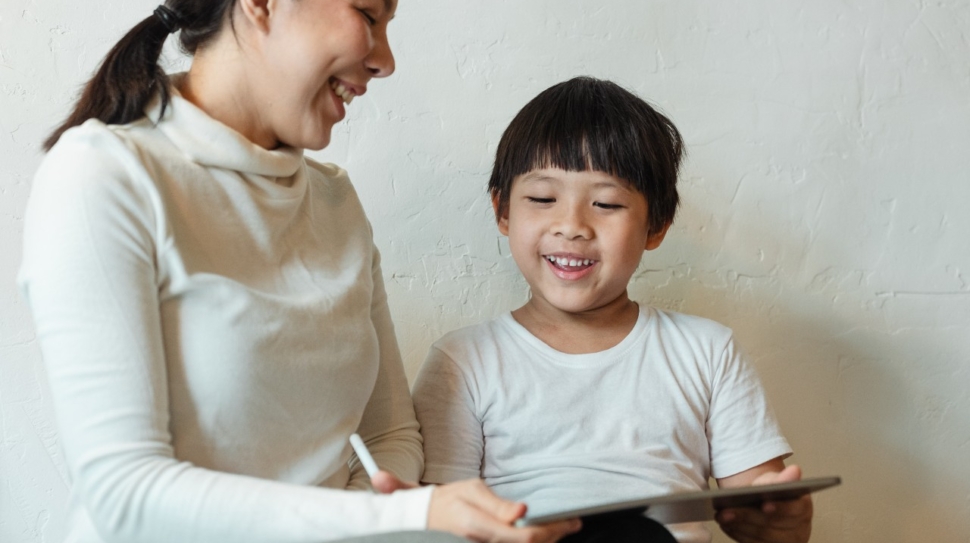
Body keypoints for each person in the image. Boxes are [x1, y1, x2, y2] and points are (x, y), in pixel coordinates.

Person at [18, 1, 583, 542]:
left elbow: (389, 434)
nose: (385, 60)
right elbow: (123, 495)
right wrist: (400, 514)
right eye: (367, 14)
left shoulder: (335, 201)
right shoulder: (104, 175)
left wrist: (374, 522)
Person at [411, 77, 814, 543]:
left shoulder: (706, 350)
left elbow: (763, 507)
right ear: (503, 211)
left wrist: (784, 522)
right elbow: (442, 522)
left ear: (656, 225)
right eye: (543, 199)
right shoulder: (463, 359)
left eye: (606, 203)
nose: (572, 226)